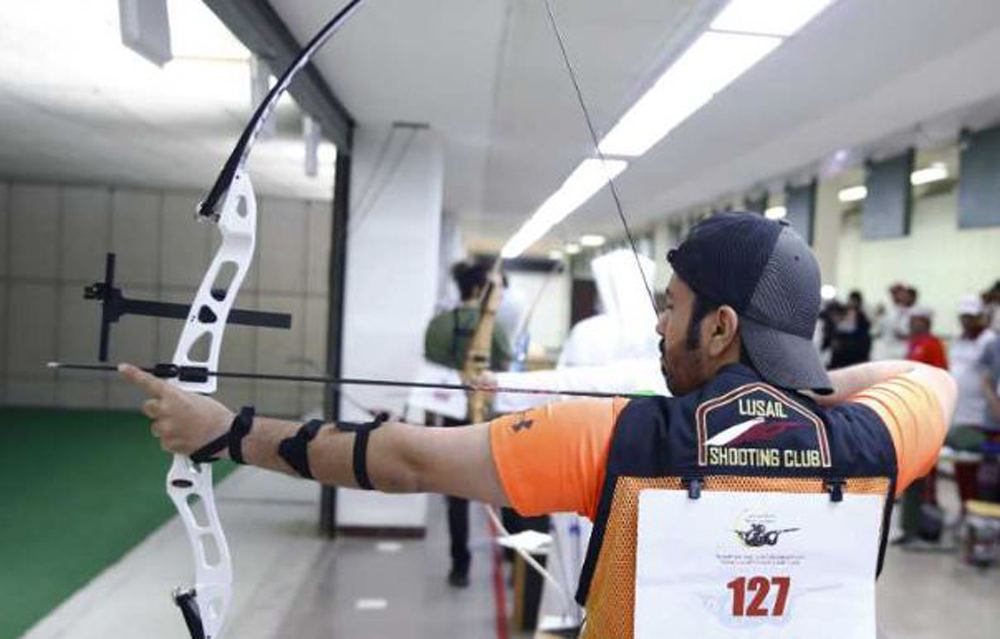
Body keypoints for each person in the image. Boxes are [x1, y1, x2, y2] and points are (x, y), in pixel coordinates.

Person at [120, 213, 955, 637]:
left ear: (721, 326)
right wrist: (800, 396)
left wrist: (229, 433)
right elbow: (924, 379)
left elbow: (406, 460)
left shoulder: (625, 441)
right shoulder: (877, 442)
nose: (662, 329)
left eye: (674, 310)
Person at [422, 260, 511, 587]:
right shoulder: (495, 327)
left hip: (450, 415)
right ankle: (514, 559)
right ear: (479, 289)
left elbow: (431, 368)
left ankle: (460, 566)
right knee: (506, 485)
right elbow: (505, 363)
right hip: (489, 418)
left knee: (456, 492)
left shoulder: (439, 325)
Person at [896, 306, 949, 544]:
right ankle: (908, 527)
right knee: (909, 473)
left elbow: (939, 375)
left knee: (922, 474)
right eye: (912, 320)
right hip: (912, 411)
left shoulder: (932, 344)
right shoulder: (914, 343)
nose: (913, 324)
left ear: (926, 322)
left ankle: (920, 528)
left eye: (917, 320)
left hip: (926, 413)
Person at [947, 295, 997, 502]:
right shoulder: (958, 341)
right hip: (959, 414)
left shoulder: (990, 342)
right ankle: (965, 509)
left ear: (980, 316)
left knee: (980, 473)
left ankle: (977, 514)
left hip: (980, 417)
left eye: (971, 316)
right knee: (961, 469)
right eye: (964, 316)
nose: (967, 320)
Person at [829, 290, 872, 368]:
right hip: (844, 347)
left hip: (856, 348)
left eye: (854, 301)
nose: (852, 303)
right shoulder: (844, 311)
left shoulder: (862, 315)